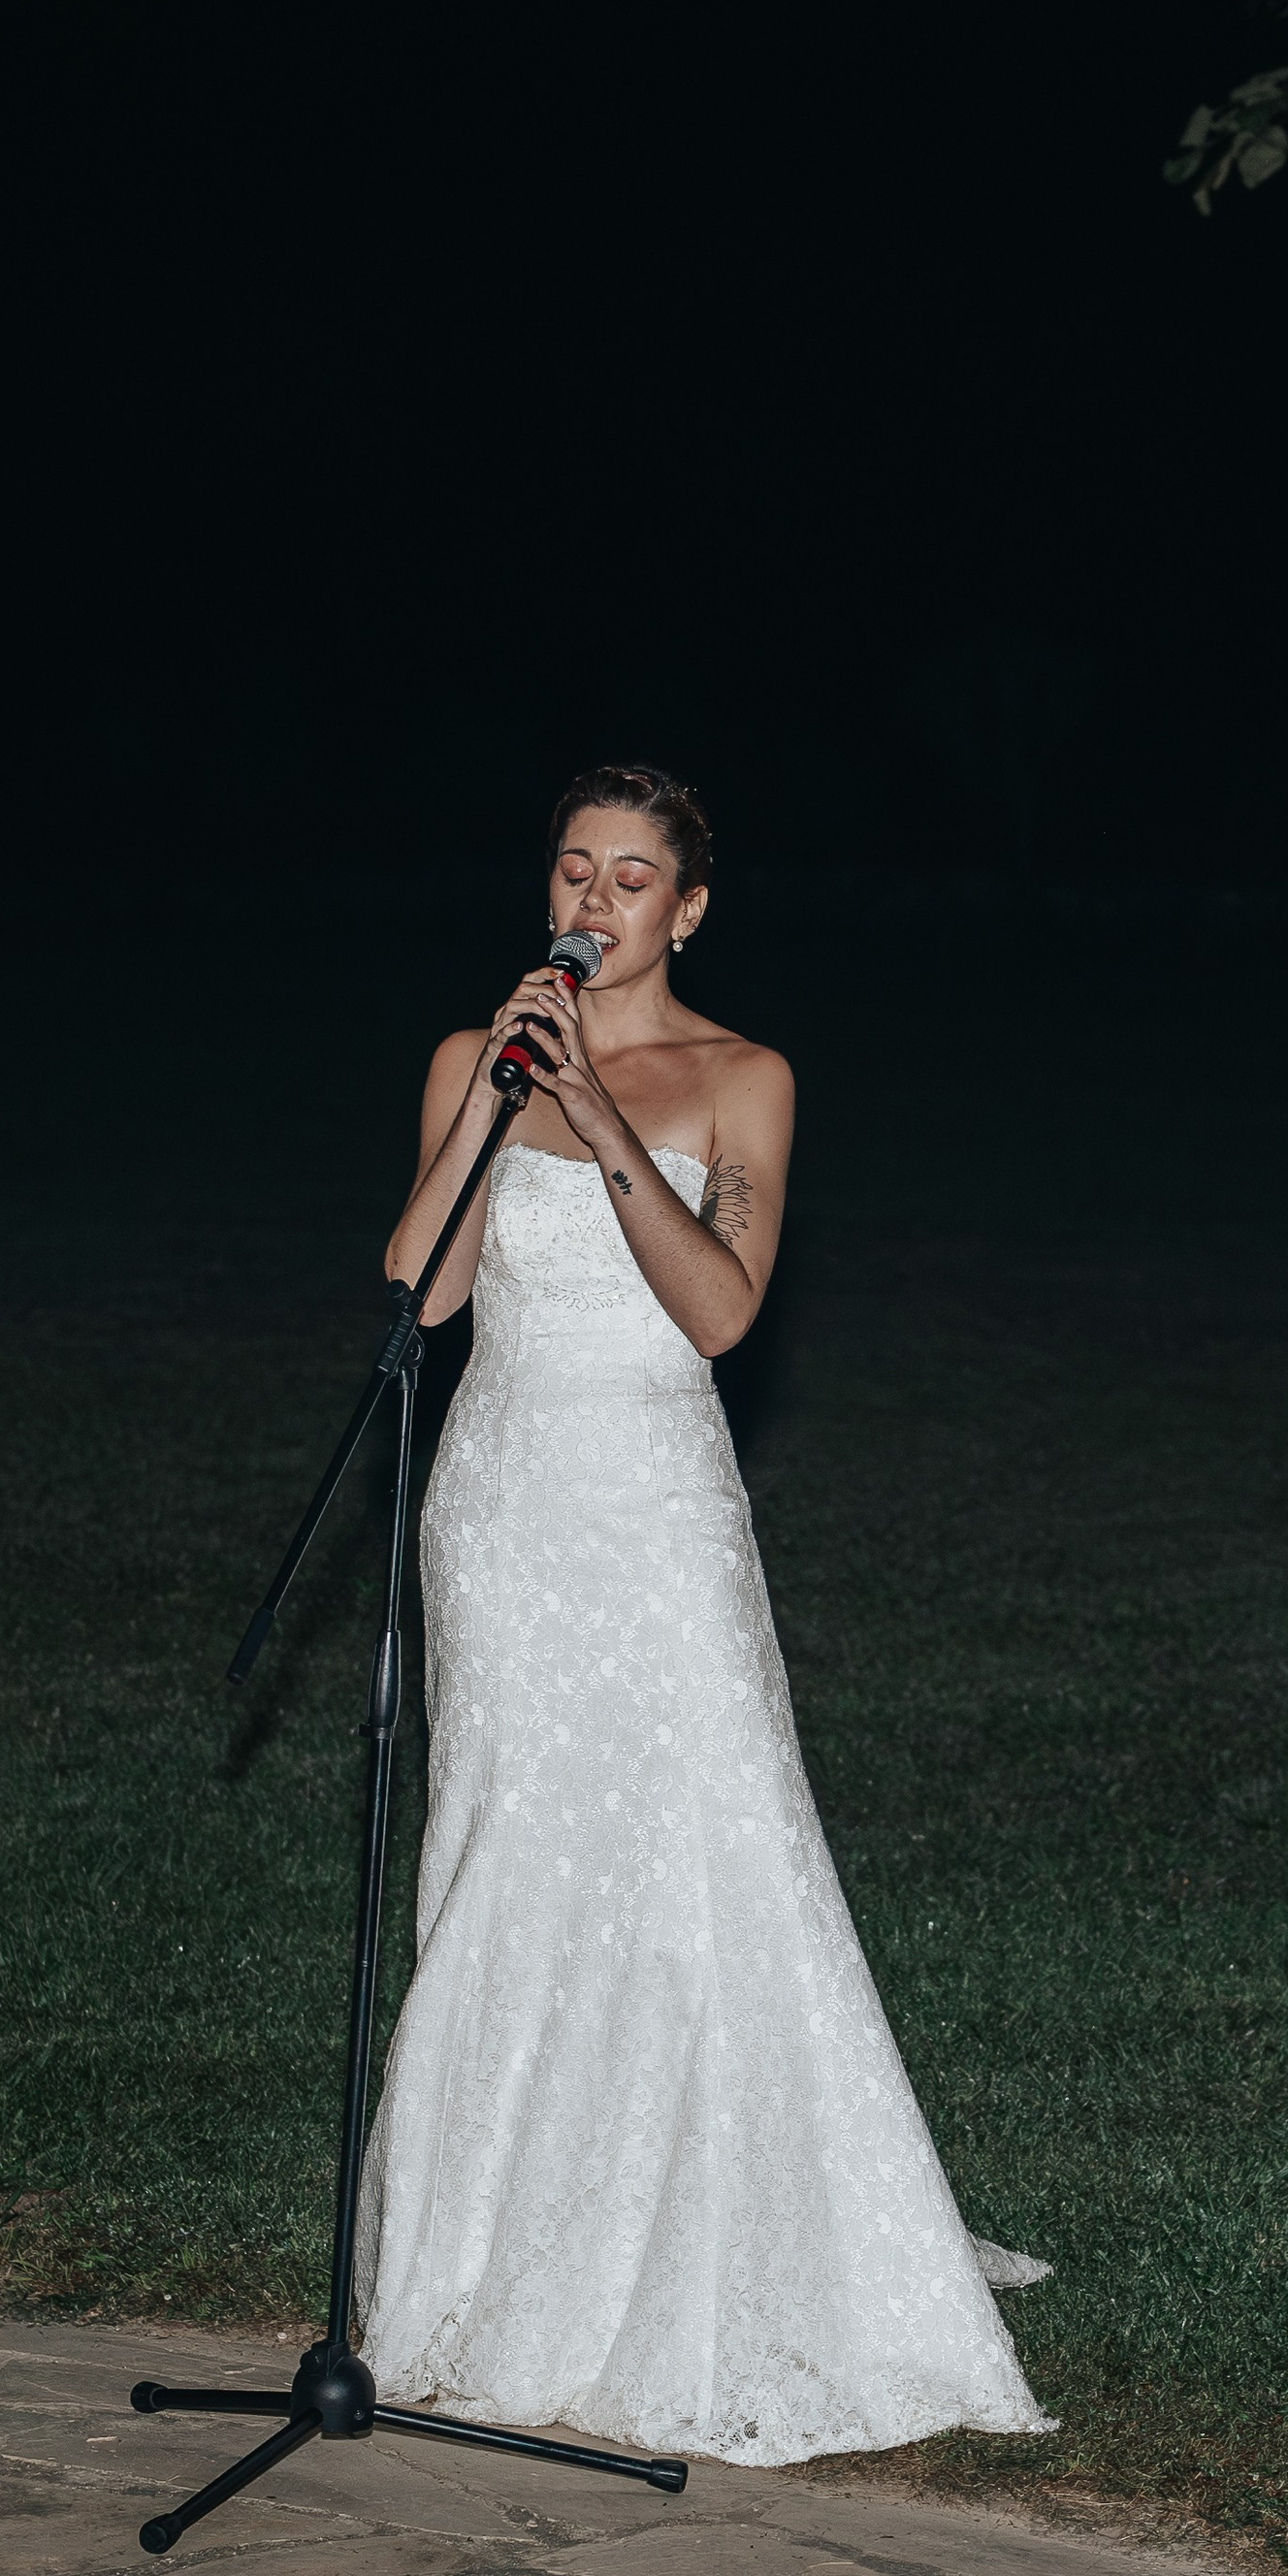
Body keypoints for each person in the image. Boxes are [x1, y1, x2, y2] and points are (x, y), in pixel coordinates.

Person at [352, 764, 1051, 2463]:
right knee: (506, 1844)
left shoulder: (747, 1080)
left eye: (634, 878)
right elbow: (423, 1287)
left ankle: (715, 2235)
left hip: (656, 1510)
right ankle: (481, 2256)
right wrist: (510, 1096)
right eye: (574, 870)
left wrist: (601, 1127)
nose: (595, 903)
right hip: (504, 1507)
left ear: (691, 908)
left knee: (697, 1844)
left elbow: (724, 1315)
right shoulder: (474, 1057)